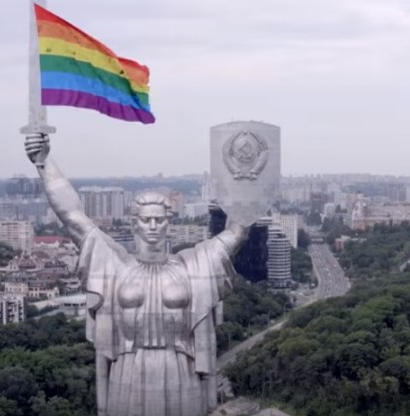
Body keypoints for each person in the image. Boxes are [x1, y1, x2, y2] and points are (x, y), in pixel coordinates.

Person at [24, 134, 249, 415]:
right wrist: (44, 163)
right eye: (146, 219)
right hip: (127, 370)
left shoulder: (193, 267)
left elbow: (238, 233)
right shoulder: (115, 265)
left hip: (180, 369)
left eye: (160, 219)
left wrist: (244, 175)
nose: (153, 226)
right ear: (134, 224)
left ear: (170, 222)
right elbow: (72, 216)